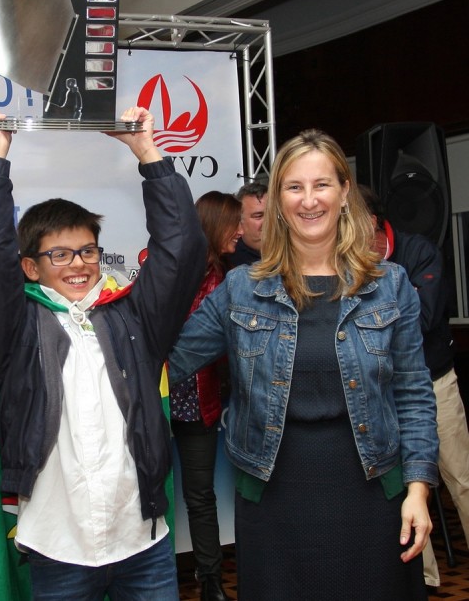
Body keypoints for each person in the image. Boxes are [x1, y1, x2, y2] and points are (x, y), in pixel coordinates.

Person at [168, 129, 439, 600]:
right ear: (277, 200)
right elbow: (172, 353)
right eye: (294, 187)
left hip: (374, 498)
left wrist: (418, 489)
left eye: (321, 185)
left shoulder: (391, 286)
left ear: (344, 192)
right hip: (274, 505)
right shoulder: (242, 289)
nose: (308, 200)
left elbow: (414, 393)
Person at [0, 107, 206, 600]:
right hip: (58, 546)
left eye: (88, 251)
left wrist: (146, 152)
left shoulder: (135, 318)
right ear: (29, 267)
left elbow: (181, 247)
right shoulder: (16, 330)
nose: (78, 264)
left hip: (143, 543)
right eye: (60, 254)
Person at [361, 185, 469, 590]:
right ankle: (422, 579)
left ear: (369, 221)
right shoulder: (342, 261)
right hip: (382, 391)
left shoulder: (417, 251)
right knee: (403, 486)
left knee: (461, 476)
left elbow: (421, 319)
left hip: (434, 380)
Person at [168, 190, 240, 601]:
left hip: (201, 402)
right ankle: (155, 579)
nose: (242, 230)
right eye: (236, 223)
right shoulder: (178, 270)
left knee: (200, 497)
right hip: (161, 397)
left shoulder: (227, 274)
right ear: (215, 225)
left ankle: (210, 583)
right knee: (154, 494)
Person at [225, 181, 266, 268]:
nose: (268, 221)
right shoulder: (228, 264)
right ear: (239, 220)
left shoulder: (294, 252)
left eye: (272, 214)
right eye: (258, 216)